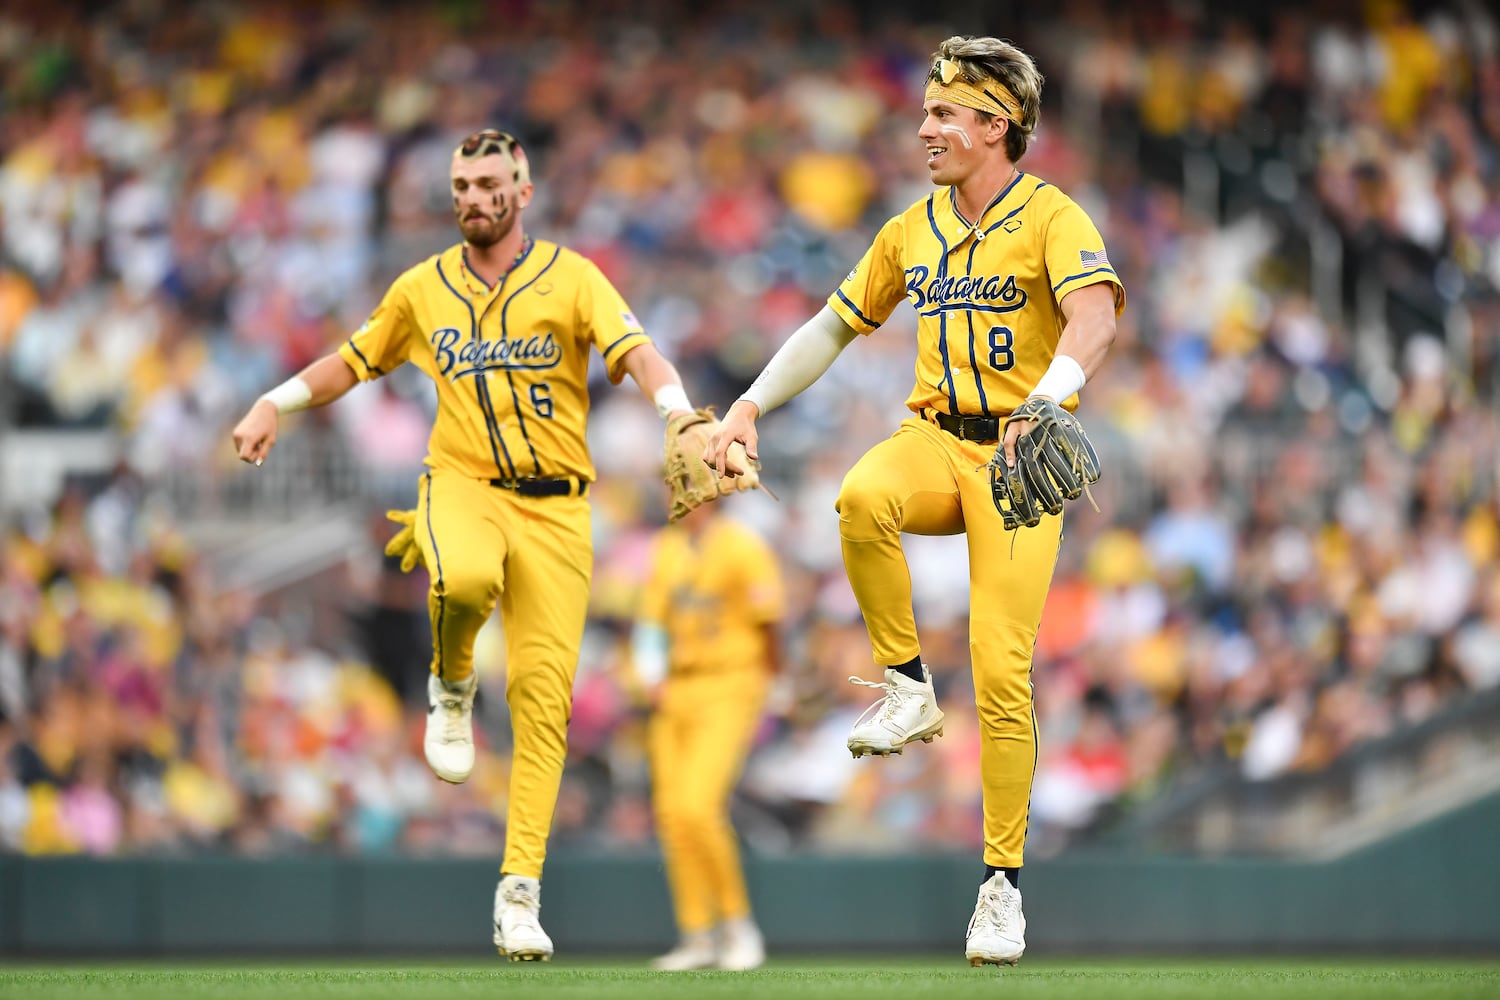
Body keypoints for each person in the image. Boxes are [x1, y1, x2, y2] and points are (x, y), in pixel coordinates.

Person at [230, 128, 706, 963]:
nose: (475, 197)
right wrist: (276, 400)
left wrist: (679, 414)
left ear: (523, 192)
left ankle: (519, 892)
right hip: (462, 484)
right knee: (465, 579)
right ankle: (450, 685)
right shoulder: (423, 287)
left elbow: (639, 353)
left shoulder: (573, 276)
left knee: (542, 703)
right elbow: (354, 359)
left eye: (490, 183)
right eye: (462, 185)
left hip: (559, 508)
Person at [704, 36, 1125, 966]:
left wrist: (1046, 399)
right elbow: (831, 327)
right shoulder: (911, 228)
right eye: (926, 111)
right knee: (861, 496)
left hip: (1017, 455)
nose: (925, 128)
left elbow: (1094, 317)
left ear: (995, 124)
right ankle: (906, 687)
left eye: (944, 113)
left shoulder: (1053, 216)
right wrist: (748, 405)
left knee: (1003, 670)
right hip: (936, 439)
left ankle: (1002, 887)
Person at [631, 500, 785, 971]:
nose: (674, 494)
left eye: (684, 481)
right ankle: (698, 933)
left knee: (699, 806)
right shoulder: (667, 546)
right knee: (672, 815)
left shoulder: (742, 546)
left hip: (729, 682)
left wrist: (774, 682)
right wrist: (651, 672)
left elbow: (769, 621)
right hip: (676, 687)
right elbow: (652, 619)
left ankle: (738, 925)